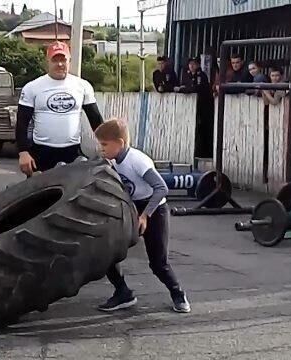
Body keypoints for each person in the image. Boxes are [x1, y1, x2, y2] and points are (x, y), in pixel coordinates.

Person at [94, 119, 191, 314]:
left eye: (104, 144)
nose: (101, 148)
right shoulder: (112, 160)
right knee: (107, 253)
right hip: (132, 208)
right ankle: (123, 293)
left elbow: (162, 188)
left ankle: (178, 294)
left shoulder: (137, 161)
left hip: (154, 209)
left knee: (158, 263)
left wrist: (145, 215)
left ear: (120, 143)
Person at [15, 41, 104, 177]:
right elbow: (22, 123)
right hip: (41, 153)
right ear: (48, 62)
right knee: (40, 196)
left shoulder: (82, 86)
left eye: (63, 60)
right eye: (55, 60)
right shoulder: (32, 87)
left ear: (69, 61)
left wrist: (108, 145)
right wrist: (23, 152)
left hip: (72, 152)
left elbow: (96, 120)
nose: (60, 64)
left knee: (75, 195)